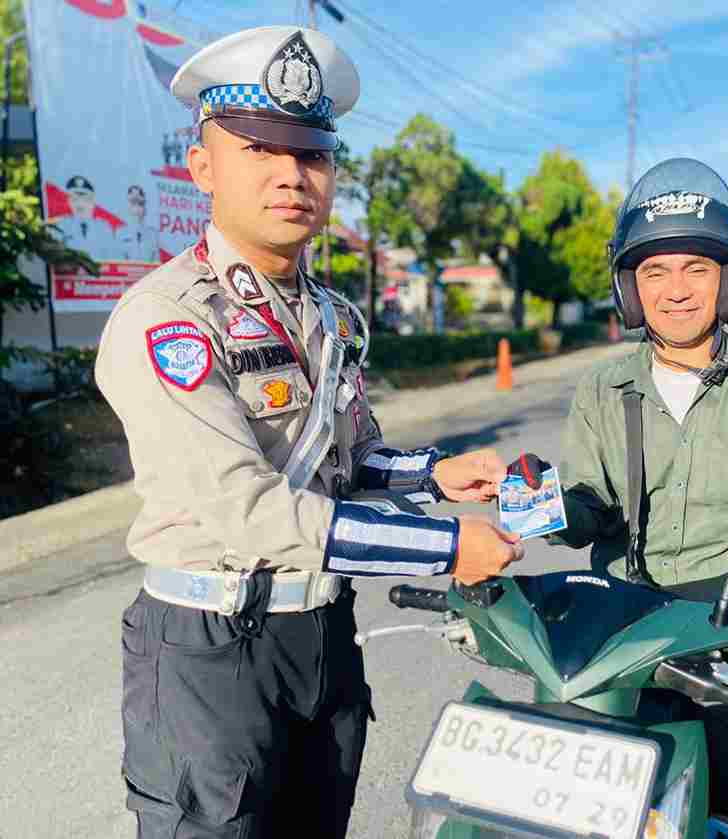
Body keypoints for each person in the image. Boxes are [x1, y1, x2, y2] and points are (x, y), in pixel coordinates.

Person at [96, 26, 526, 837]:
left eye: (312, 155)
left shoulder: (332, 315)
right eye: (260, 148)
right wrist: (445, 547)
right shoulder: (166, 318)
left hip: (323, 633)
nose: (292, 175)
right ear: (202, 166)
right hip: (212, 647)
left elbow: (349, 458)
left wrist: (435, 475)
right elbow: (250, 510)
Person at [516, 158, 728, 837]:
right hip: (616, 625)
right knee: (552, 811)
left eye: (697, 268)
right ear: (630, 288)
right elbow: (589, 507)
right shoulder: (603, 388)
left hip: (727, 624)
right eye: (655, 272)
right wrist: (544, 504)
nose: (677, 291)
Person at [55, 174, 116, 261]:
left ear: (93, 201)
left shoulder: (104, 228)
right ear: (69, 202)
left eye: (85, 199)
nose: (80, 204)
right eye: (74, 199)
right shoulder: (61, 226)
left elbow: (113, 259)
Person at [118, 184, 161, 263]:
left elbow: (156, 262)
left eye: (140, 204)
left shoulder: (153, 235)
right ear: (127, 207)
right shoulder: (120, 233)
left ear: (145, 208)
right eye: (133, 203)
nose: (137, 208)